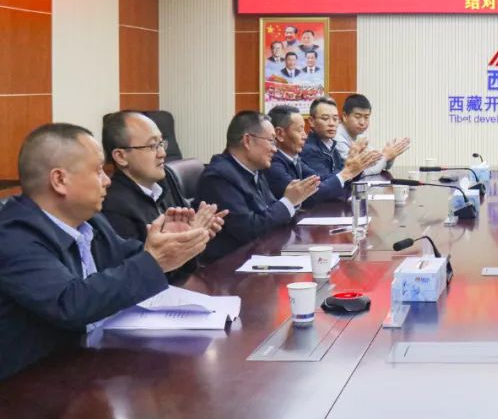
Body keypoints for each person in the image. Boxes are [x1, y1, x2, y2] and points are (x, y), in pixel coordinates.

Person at [0, 123, 211, 380]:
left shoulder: (90, 221)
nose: (107, 181)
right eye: (99, 170)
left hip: (90, 365)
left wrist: (173, 244)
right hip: (31, 385)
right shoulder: (12, 236)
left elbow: (130, 258)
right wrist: (155, 260)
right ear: (60, 180)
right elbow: (70, 303)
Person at [100, 112, 226, 282]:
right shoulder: (113, 204)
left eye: (161, 143)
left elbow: (187, 267)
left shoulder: (166, 179)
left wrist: (197, 237)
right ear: (121, 157)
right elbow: (138, 277)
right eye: (152, 146)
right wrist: (187, 241)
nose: (162, 153)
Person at [196, 111, 320, 263]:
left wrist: (293, 200)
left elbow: (270, 210)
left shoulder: (255, 170)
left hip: (260, 255)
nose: (275, 149)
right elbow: (248, 229)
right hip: (229, 266)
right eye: (271, 141)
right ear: (248, 141)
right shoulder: (219, 177)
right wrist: (289, 201)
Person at [265, 105, 381, 205]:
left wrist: (352, 169)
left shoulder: (295, 159)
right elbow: (310, 196)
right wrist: (347, 172)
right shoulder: (274, 164)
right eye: (299, 130)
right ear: (280, 134)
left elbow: (321, 180)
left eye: (335, 119)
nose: (305, 136)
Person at [332, 94, 410, 176]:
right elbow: (360, 172)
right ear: (345, 116)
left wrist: (391, 155)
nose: (362, 122)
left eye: (366, 117)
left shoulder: (360, 135)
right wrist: (386, 156)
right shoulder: (337, 138)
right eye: (357, 117)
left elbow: (378, 164)